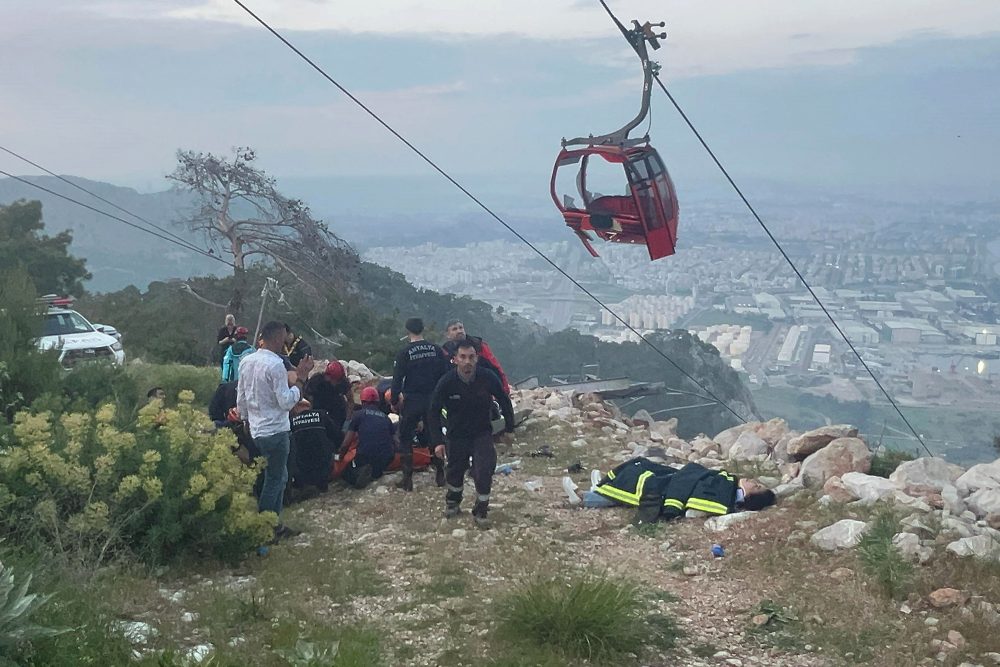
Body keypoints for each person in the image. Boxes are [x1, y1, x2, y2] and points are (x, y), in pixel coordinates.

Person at [236, 320, 313, 541]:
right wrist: (300, 380)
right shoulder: (276, 365)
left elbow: (241, 396)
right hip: (275, 430)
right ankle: (268, 527)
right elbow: (286, 401)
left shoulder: (247, 361)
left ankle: (272, 522)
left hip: (255, 429)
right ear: (279, 339)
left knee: (275, 475)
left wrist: (245, 420)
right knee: (275, 479)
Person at [428, 339, 514, 527]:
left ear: (477, 359)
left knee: (484, 471)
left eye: (471, 357)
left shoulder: (488, 377)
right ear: (455, 359)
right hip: (456, 435)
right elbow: (433, 411)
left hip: (482, 433)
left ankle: (481, 511)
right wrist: (437, 442)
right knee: (455, 472)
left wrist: (509, 428)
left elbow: (504, 400)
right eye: (463, 357)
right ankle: (453, 503)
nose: (467, 361)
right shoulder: (447, 382)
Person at [594, 457, 777, 523]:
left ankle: (587, 496)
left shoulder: (725, 493)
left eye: (757, 486)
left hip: (666, 490)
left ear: (751, 496)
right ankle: (602, 487)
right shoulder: (725, 484)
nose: (753, 481)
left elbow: (696, 494)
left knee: (643, 483)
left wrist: (673, 505)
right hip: (674, 479)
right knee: (643, 466)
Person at [390, 317, 449, 491]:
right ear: (423, 329)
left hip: (412, 399)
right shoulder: (436, 350)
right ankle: (440, 474)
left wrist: (394, 401)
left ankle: (407, 479)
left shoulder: (404, 353)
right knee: (435, 435)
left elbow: (397, 379)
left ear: (407, 331)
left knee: (406, 437)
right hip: (433, 399)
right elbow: (444, 376)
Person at [340, 387, 397, 489]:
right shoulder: (386, 417)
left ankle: (359, 475)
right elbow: (396, 441)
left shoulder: (358, 415)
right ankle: (375, 474)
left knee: (345, 473)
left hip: (365, 455)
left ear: (362, 401)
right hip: (386, 458)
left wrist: (340, 456)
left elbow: (346, 443)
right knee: (376, 469)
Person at [441, 319, 510, 394]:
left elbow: (496, 367)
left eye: (461, 328)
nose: (459, 331)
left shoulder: (479, 345)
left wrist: (505, 389)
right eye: (454, 329)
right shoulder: (445, 352)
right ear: (447, 334)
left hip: (484, 389)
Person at [289, 399, 338, 493]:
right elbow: (336, 435)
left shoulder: (291, 421)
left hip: (302, 469)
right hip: (324, 466)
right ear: (309, 406)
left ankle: (304, 487)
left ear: (295, 408)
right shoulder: (321, 415)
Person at [303, 359, 354, 435]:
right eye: (335, 380)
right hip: (319, 410)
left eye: (338, 380)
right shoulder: (317, 381)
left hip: (337, 411)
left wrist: (346, 423)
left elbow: (350, 401)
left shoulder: (343, 382)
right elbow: (307, 397)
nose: (337, 382)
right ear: (327, 376)